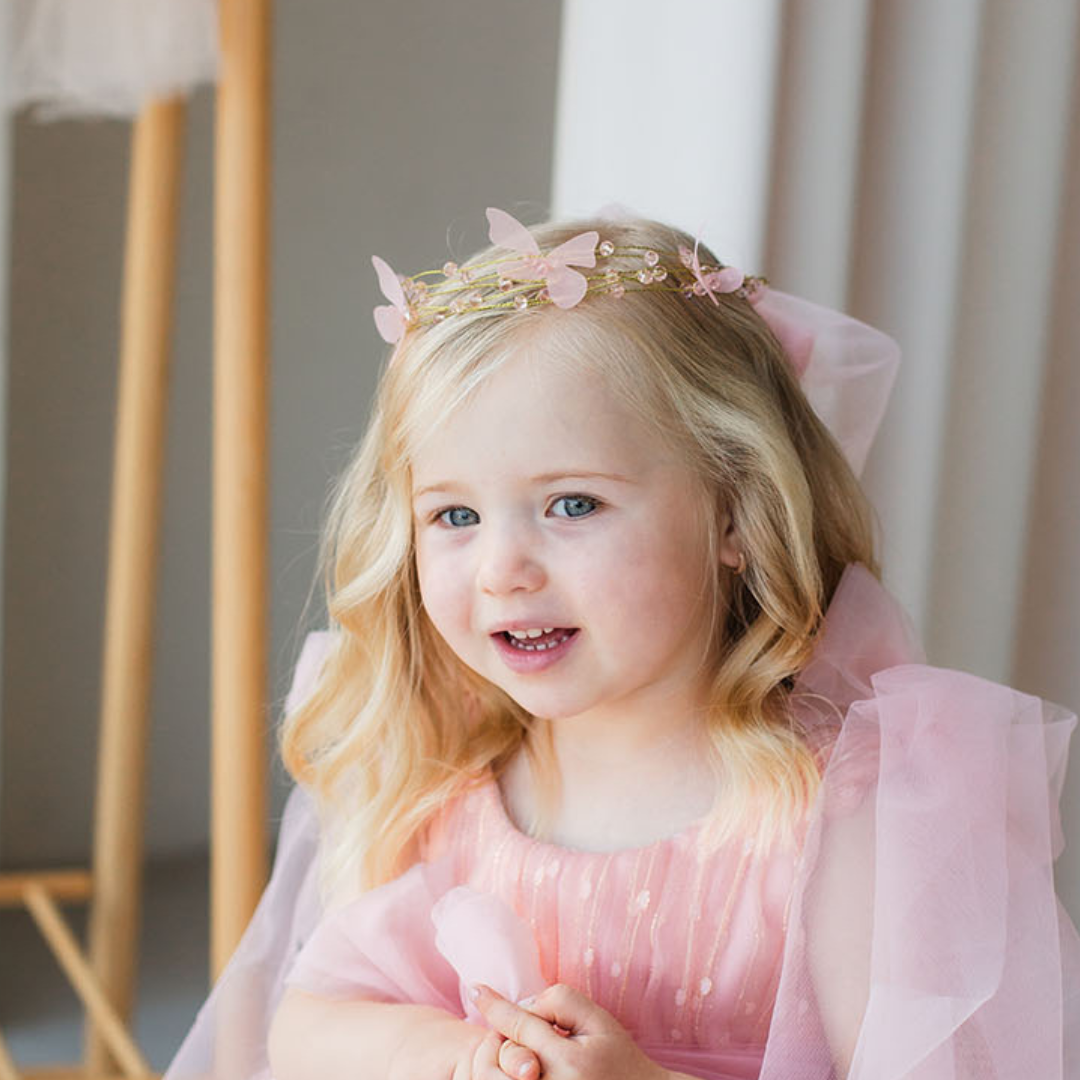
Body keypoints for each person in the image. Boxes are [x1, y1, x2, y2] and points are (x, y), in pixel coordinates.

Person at [164, 206, 1080, 1080]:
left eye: (572, 504)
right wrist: (444, 1057)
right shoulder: (444, 792)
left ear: (735, 513)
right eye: (454, 514)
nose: (500, 570)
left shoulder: (837, 820)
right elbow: (303, 1028)